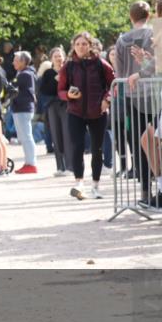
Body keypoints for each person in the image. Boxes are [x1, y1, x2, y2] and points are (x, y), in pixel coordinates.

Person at [58, 32, 115, 200]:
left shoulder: (101, 64)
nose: (81, 47)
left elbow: (114, 85)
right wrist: (68, 95)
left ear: (90, 45)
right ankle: (79, 184)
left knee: (97, 150)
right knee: (77, 148)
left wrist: (107, 99)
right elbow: (60, 90)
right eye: (78, 44)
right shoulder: (67, 67)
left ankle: (96, 186)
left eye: (84, 44)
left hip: (98, 112)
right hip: (75, 113)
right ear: (73, 47)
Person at [114, 0, 154, 199]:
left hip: (132, 94)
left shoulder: (122, 40)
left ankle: (145, 188)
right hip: (153, 93)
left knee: (138, 142)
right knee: (157, 139)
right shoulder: (153, 34)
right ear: (149, 15)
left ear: (131, 17)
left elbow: (119, 72)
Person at [41, 47, 69, 177]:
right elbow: (44, 91)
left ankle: (70, 166)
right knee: (56, 135)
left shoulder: (69, 70)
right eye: (55, 56)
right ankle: (60, 166)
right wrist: (55, 80)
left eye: (60, 56)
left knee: (68, 134)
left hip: (68, 105)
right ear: (51, 58)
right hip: (53, 106)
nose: (58, 58)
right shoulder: (48, 73)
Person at [11, 51, 38, 174]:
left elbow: (18, 91)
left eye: (16, 60)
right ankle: (28, 162)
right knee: (24, 137)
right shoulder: (24, 73)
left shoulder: (25, 74)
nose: (13, 62)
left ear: (23, 61)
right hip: (22, 108)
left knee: (26, 137)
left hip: (23, 108)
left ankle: (31, 164)